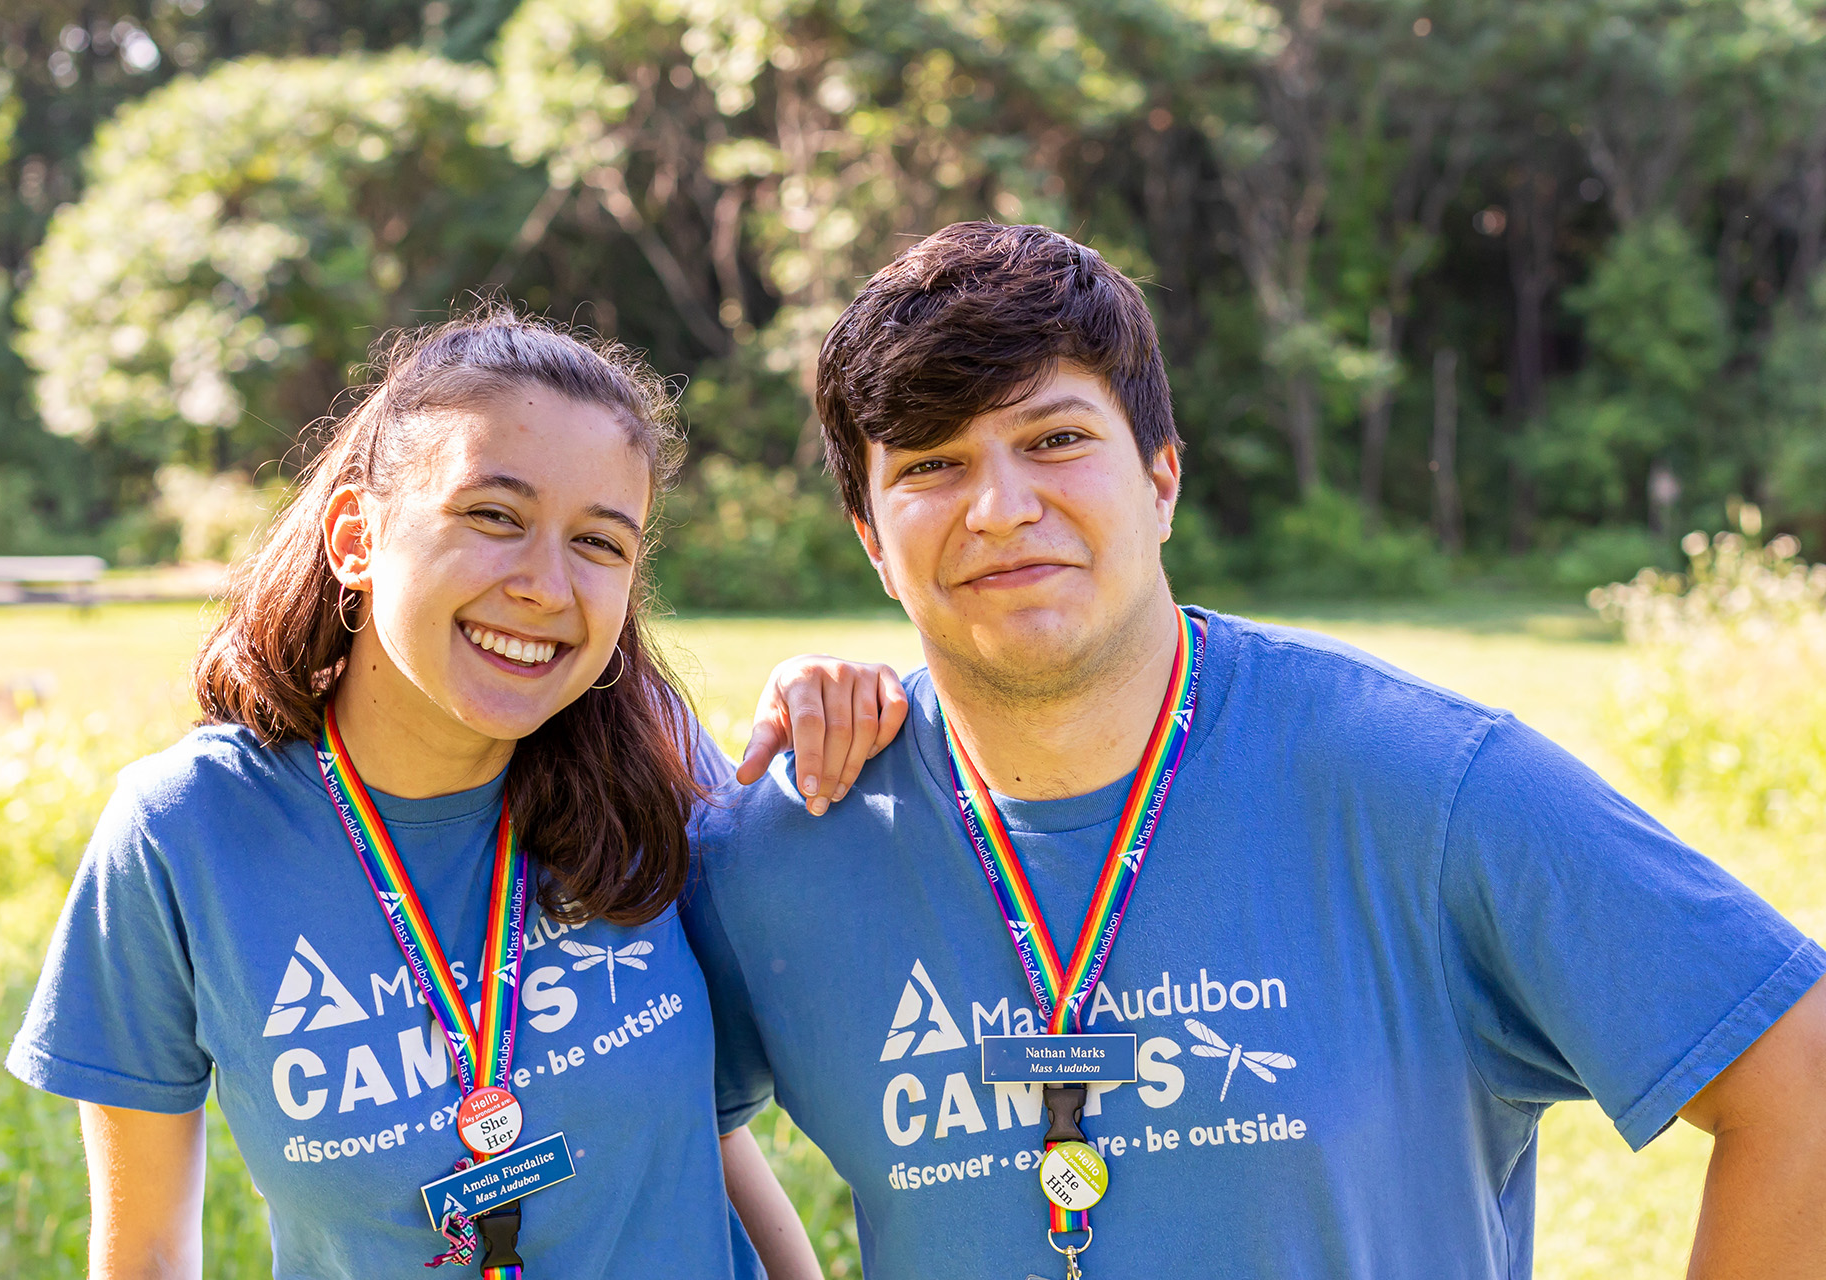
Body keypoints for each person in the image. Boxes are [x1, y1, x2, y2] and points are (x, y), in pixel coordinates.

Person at [681, 222, 1826, 1279]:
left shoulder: (1420, 785)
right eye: (931, 464)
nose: (1000, 505)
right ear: (874, 539)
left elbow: (1800, 1077)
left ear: (1161, 477)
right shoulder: (788, 844)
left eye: (1056, 438)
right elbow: (634, 1110)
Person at [6, 309, 910, 1280]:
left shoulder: (651, 766)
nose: (544, 584)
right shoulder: (182, 834)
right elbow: (142, 1250)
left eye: (601, 543)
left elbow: (709, 1139)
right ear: (357, 535)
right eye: (494, 516)